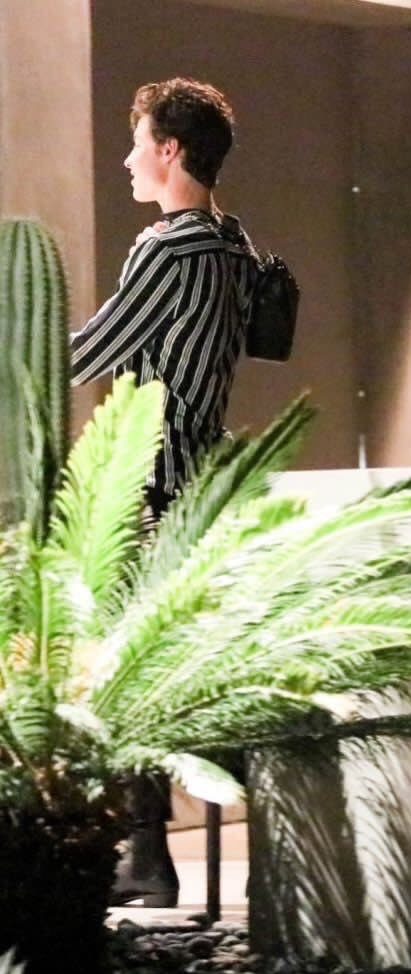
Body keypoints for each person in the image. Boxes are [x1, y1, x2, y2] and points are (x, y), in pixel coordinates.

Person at [71, 77, 259, 906]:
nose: (127, 159)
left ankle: (146, 854)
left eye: (138, 142)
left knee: (122, 668)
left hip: (154, 485)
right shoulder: (233, 242)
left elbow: (91, 351)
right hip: (206, 477)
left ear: (170, 150)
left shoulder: (169, 248)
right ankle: (151, 853)